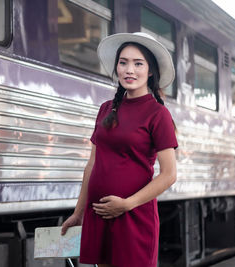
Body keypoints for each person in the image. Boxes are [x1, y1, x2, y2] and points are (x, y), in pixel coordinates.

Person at [61, 32, 178, 267]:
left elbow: (169, 174)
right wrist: (79, 212)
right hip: (100, 213)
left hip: (133, 216)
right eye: (123, 62)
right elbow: (92, 165)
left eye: (138, 63)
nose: (129, 70)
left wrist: (127, 204)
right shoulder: (105, 109)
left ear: (150, 71)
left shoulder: (158, 114)